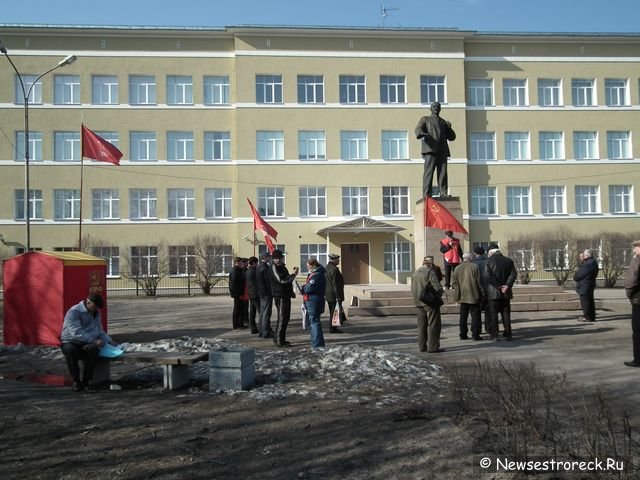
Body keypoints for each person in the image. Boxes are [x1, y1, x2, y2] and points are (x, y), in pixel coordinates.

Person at [60, 293, 116, 392]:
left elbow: (99, 330)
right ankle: (76, 381)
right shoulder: (74, 312)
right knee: (71, 350)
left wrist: (110, 341)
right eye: (94, 307)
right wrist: (93, 340)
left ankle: (87, 381)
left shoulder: (96, 312)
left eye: (97, 307)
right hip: (70, 341)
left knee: (93, 349)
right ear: (88, 302)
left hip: (85, 342)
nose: (95, 309)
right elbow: (76, 332)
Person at [414, 101, 456, 199]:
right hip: (430, 149)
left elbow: (452, 137)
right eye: (434, 106)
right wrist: (420, 133)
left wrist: (449, 128)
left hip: (442, 151)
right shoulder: (425, 119)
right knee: (428, 172)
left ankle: (443, 192)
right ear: (430, 108)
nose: (435, 108)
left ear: (440, 109)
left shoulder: (444, 122)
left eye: (437, 106)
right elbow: (418, 128)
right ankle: (427, 194)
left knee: (443, 173)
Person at [483, 244, 518, 341]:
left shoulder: (488, 261)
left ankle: (494, 335)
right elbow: (513, 275)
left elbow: (487, 276)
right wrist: (506, 285)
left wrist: (499, 286)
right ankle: (508, 333)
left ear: (490, 252)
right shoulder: (508, 261)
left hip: (493, 293)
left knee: (493, 315)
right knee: (506, 314)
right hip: (506, 293)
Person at [410, 256, 445, 353]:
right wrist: (440, 294)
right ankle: (433, 347)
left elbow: (412, 287)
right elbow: (437, 287)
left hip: (418, 302)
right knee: (433, 324)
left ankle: (422, 347)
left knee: (421, 326)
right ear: (430, 265)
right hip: (429, 302)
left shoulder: (415, 273)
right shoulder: (430, 272)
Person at [451, 252, 485, 340]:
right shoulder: (474, 267)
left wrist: (458, 290)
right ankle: (475, 334)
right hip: (474, 295)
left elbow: (454, 283)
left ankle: (463, 334)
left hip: (462, 296)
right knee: (475, 316)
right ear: (470, 258)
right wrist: (483, 293)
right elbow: (479, 282)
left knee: (463, 316)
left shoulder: (457, 268)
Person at [269, 249, 299, 347]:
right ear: (273, 259)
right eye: (275, 258)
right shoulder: (274, 267)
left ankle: (280, 339)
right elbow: (281, 280)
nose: (277, 260)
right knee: (282, 318)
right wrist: (294, 275)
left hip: (285, 294)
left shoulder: (281, 266)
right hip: (280, 295)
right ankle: (279, 341)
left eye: (279, 258)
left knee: (285, 318)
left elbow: (286, 279)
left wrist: (291, 292)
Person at [299, 257, 326, 348]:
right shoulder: (315, 274)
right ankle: (318, 343)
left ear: (314, 265)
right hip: (313, 300)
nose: (307, 268)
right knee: (314, 321)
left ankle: (317, 344)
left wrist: (303, 288)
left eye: (309, 266)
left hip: (314, 301)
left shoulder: (316, 275)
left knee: (314, 322)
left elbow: (309, 288)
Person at [623, 240, 640, 367]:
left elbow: (631, 280)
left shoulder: (637, 261)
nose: (634, 250)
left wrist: (629, 293)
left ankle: (638, 359)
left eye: (635, 247)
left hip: (638, 299)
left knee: (638, 331)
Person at [574, 249, 599, 323]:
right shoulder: (592, 262)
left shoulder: (588, 264)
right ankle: (591, 316)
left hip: (585, 285)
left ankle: (587, 316)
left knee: (586, 302)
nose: (583, 256)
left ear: (587, 255)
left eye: (584, 255)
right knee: (590, 301)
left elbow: (579, 274)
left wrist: (576, 275)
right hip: (589, 284)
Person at [325, 253, 345, 333]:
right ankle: (332, 328)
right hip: (334, 294)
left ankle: (333, 327)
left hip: (328, 293)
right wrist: (338, 296)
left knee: (332, 311)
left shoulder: (327, 268)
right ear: (334, 260)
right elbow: (335, 284)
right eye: (338, 260)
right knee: (334, 311)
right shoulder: (334, 270)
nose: (339, 261)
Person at [472, 246, 490, 334]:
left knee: (476, 311)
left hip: (476, 289)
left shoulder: (473, 263)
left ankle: (477, 330)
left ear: (475, 253)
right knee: (488, 310)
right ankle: (489, 328)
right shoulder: (488, 261)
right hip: (488, 288)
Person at [256, 251, 274, 338]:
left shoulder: (259, 267)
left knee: (262, 313)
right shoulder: (265, 268)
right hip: (266, 293)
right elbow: (268, 282)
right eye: (268, 257)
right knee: (266, 313)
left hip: (261, 293)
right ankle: (265, 332)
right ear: (265, 258)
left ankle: (261, 331)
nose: (270, 258)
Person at [228, 257, 247, 329]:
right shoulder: (235, 271)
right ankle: (237, 325)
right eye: (241, 262)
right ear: (237, 262)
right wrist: (238, 294)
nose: (242, 264)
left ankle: (239, 323)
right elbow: (234, 284)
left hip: (240, 293)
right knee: (237, 309)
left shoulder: (238, 270)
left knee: (240, 309)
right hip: (238, 293)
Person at [246, 256, 260, 334]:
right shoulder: (255, 271)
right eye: (257, 263)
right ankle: (262, 327)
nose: (257, 264)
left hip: (250, 293)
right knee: (260, 311)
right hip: (256, 293)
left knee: (252, 311)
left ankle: (253, 328)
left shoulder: (247, 271)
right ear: (254, 263)